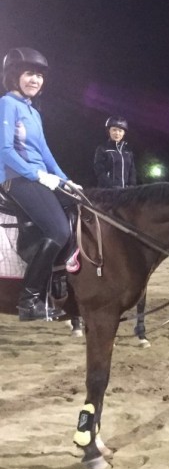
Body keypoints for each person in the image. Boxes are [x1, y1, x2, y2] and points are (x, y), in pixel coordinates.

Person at [0, 47, 78, 321]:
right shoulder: (7, 104)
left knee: (77, 211)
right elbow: (4, 150)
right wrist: (39, 176)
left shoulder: (33, 112)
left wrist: (66, 181)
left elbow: (45, 152)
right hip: (17, 178)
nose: (35, 80)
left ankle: (60, 282)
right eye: (29, 73)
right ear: (14, 76)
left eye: (39, 75)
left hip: (37, 177)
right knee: (58, 230)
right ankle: (29, 300)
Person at [93, 115, 150, 347]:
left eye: (120, 130)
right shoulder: (102, 150)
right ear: (109, 132)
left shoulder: (128, 151)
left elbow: (133, 174)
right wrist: (115, 189)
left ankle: (140, 325)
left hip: (127, 198)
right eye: (114, 130)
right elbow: (100, 173)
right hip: (109, 196)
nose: (117, 133)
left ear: (124, 133)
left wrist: (133, 192)